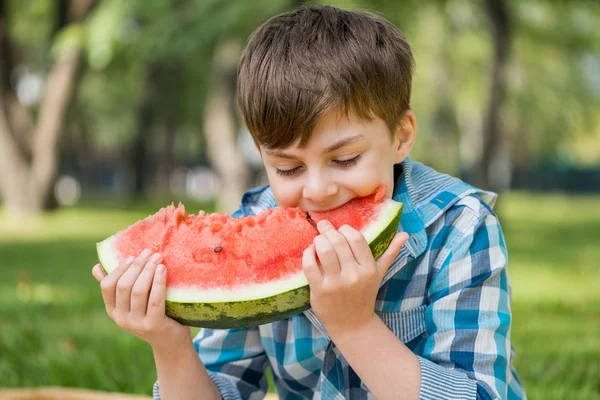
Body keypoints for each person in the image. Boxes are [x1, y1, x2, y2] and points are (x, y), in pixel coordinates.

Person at [92, 5, 526, 400]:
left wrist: (353, 326)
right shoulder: (253, 223)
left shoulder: (461, 229)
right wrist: (169, 346)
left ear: (401, 136)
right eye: (288, 169)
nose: (317, 190)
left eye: (345, 159)